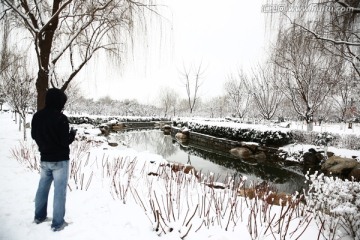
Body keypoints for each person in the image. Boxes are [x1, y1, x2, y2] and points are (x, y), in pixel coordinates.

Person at [31, 88, 76, 232]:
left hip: (44, 159)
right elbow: (64, 142)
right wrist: (72, 135)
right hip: (60, 161)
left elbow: (33, 135)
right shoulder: (61, 118)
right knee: (59, 191)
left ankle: (39, 217)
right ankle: (57, 224)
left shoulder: (37, 116)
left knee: (42, 188)